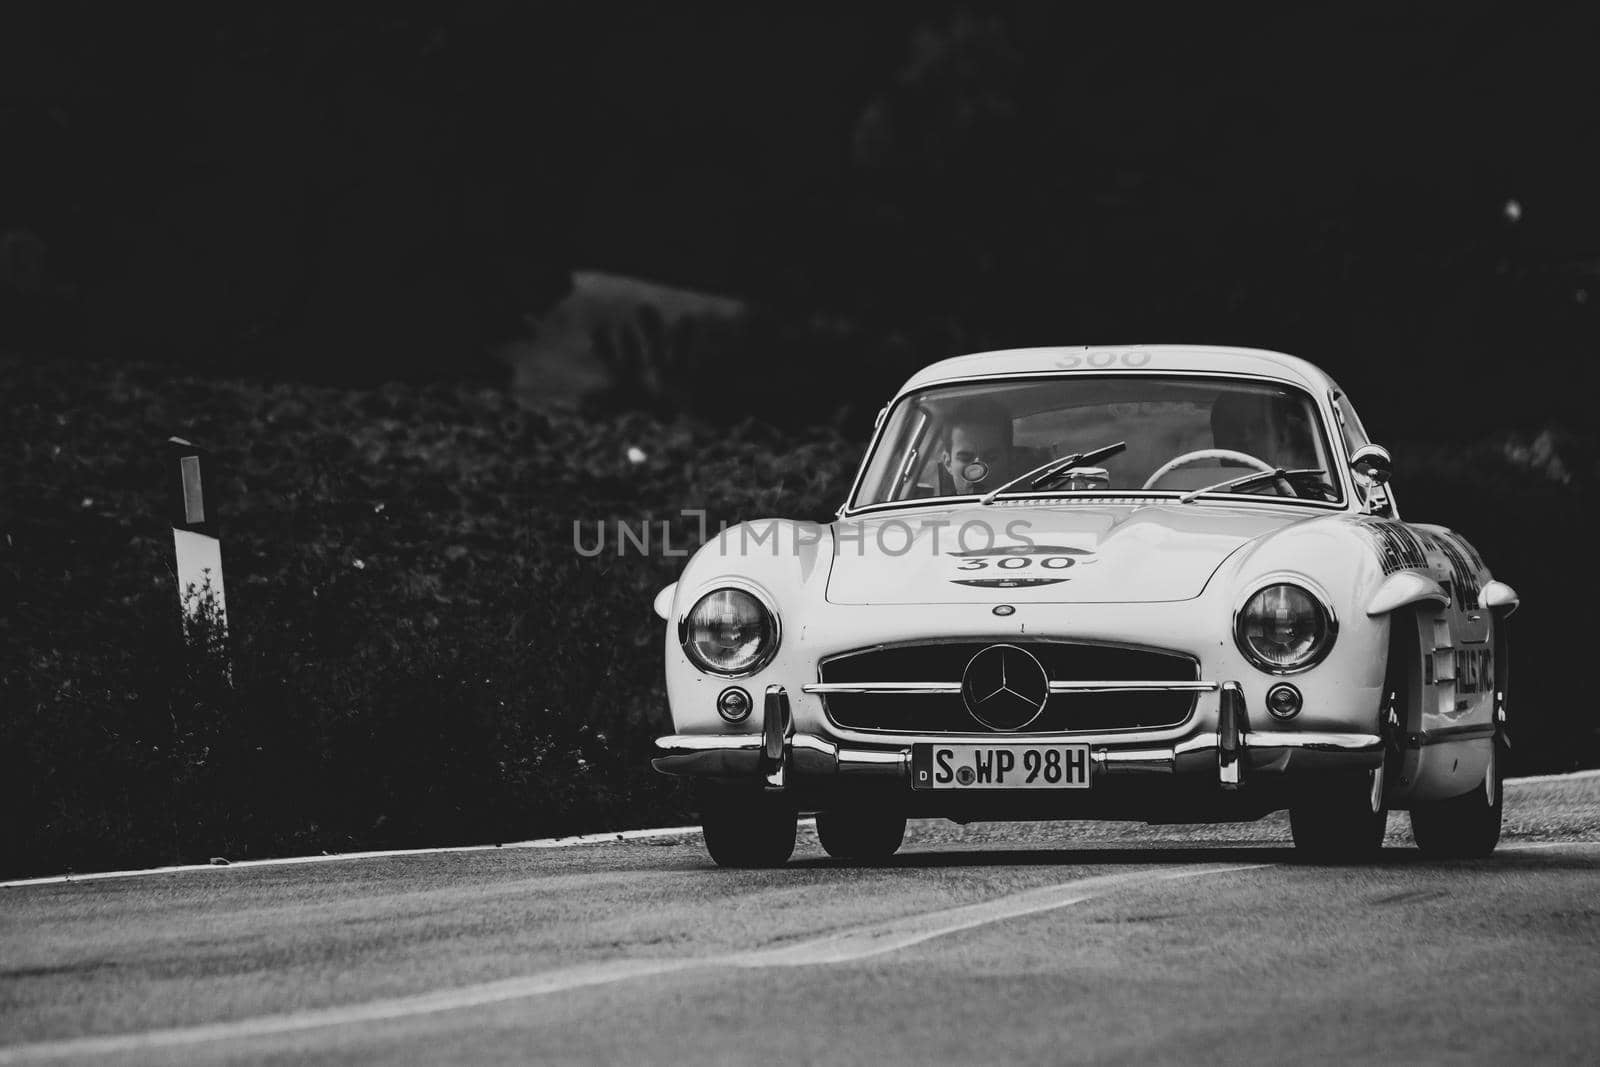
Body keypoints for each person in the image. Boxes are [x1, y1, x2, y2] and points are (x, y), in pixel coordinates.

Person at [938, 398, 1015, 495]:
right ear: (948, 463)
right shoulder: (931, 510)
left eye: (990, 458)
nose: (978, 472)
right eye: (965, 459)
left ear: (1010, 458)